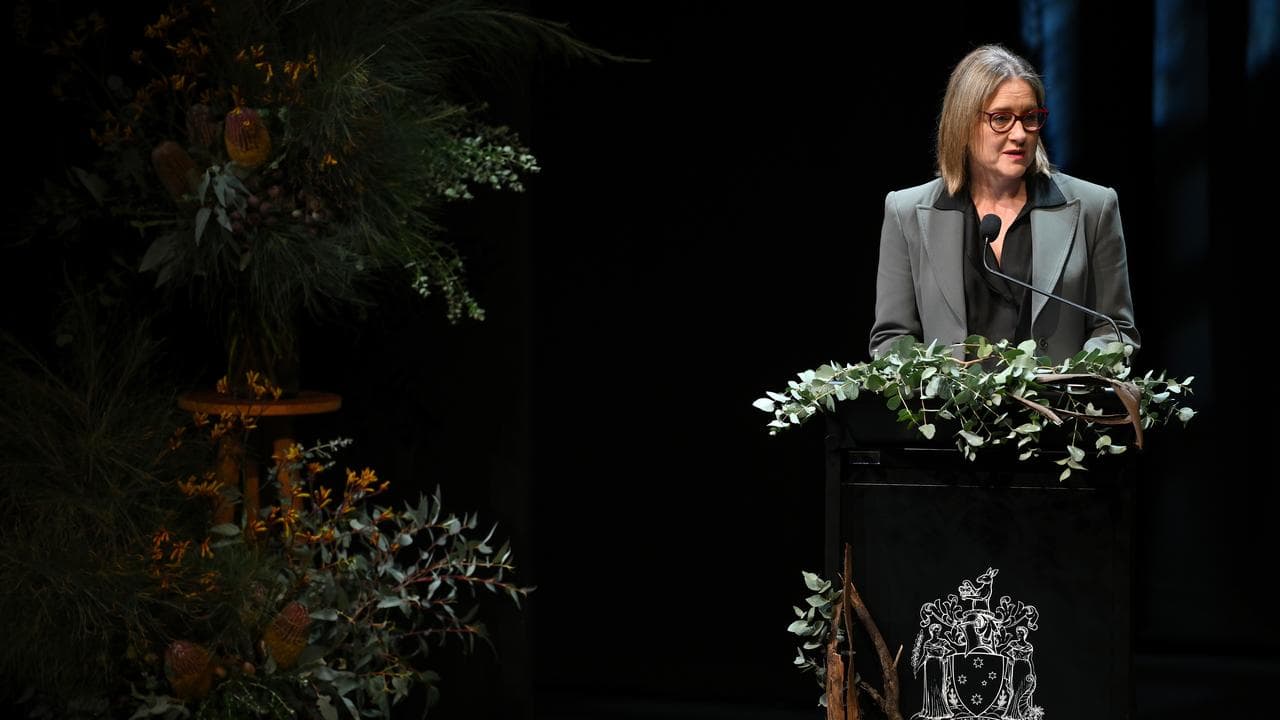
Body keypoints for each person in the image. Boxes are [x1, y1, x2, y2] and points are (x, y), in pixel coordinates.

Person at [868, 44, 1139, 362]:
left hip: (1058, 410)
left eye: (1030, 118)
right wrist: (945, 386)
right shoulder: (906, 212)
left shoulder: (1094, 207)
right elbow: (891, 339)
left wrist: (1076, 375)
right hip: (953, 410)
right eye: (1001, 119)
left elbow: (1115, 330)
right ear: (964, 124)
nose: (1020, 134)